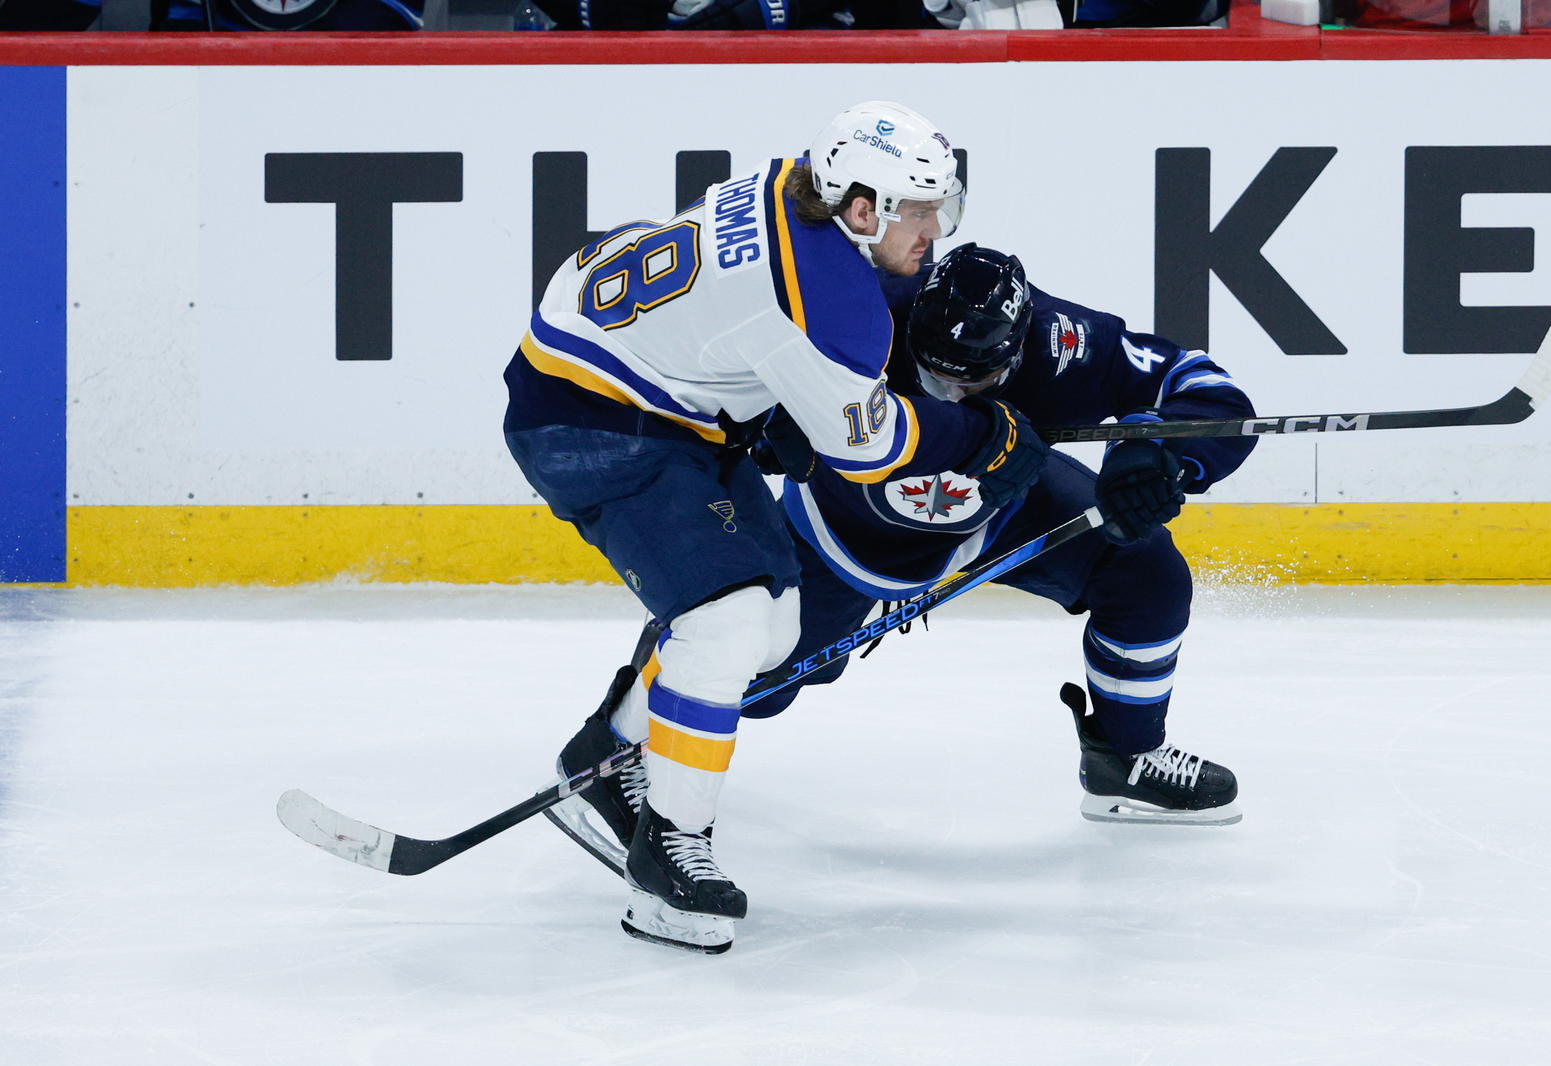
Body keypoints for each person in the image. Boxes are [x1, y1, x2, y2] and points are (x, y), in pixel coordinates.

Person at [505, 103, 1048, 954]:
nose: (935, 230)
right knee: (722, 623)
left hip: (652, 390)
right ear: (862, 209)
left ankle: (602, 762)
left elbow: (733, 308)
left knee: (775, 629)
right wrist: (980, 434)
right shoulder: (837, 304)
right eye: (919, 210)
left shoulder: (792, 183)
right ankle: (668, 852)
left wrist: (764, 395)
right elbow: (867, 450)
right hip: (591, 418)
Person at [749, 243, 1257, 826]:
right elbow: (725, 354)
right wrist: (765, 417)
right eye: (936, 376)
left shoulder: (1063, 343)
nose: (954, 395)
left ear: (1016, 352)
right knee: (745, 662)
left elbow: (1201, 384)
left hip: (1003, 505)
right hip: (844, 528)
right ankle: (656, 737)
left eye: (977, 380)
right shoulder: (863, 312)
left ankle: (1125, 756)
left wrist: (1156, 450)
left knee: (1145, 571)